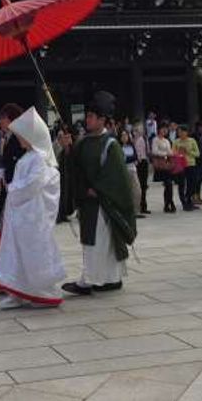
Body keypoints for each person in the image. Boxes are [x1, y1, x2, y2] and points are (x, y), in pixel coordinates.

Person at [0, 107, 66, 310]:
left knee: (31, 253)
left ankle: (38, 292)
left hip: (32, 217)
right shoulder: (30, 157)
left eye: (23, 135)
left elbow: (32, 185)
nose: (19, 139)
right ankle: (18, 291)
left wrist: (11, 188)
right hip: (22, 215)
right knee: (17, 254)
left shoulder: (39, 158)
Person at [62, 91, 136, 296]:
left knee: (104, 243)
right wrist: (67, 149)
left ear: (102, 120)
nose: (88, 120)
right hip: (88, 202)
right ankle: (98, 278)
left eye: (92, 117)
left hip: (103, 202)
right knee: (93, 243)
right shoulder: (83, 142)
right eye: (87, 116)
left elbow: (117, 174)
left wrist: (99, 189)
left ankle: (101, 279)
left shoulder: (110, 144)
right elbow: (74, 167)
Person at [0, 103, 25, 230]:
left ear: (11, 119)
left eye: (3, 118)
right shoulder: (8, 137)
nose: (0, 121)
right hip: (8, 186)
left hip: (16, 186)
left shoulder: (20, 138)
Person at [172, 125, 200, 211]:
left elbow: (197, 154)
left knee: (192, 184)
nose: (180, 134)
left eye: (182, 132)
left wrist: (188, 151)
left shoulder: (192, 141)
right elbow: (172, 153)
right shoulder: (176, 142)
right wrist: (178, 152)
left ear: (186, 132)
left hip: (190, 164)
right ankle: (184, 202)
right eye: (178, 132)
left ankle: (189, 200)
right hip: (180, 165)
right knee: (181, 184)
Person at [119, 129, 144, 219]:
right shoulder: (118, 146)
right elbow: (121, 159)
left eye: (126, 135)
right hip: (123, 171)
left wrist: (128, 158)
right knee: (126, 192)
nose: (124, 137)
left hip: (132, 170)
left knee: (137, 191)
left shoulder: (131, 146)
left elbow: (135, 157)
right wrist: (129, 158)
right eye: (122, 135)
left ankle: (136, 210)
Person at [151, 125, 176, 213]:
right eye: (163, 129)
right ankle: (169, 203)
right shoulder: (155, 139)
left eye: (165, 129)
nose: (164, 130)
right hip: (160, 164)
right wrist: (165, 154)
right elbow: (154, 151)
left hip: (167, 164)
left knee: (169, 184)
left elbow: (170, 151)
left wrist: (170, 154)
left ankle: (169, 203)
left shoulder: (166, 140)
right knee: (167, 183)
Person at [56, 127, 75, 222]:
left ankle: (65, 214)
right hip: (62, 177)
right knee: (62, 196)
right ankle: (61, 215)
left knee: (68, 197)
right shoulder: (61, 152)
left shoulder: (72, 150)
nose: (64, 140)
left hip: (70, 177)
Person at [132, 125, 151, 215]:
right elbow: (137, 152)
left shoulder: (144, 139)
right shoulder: (135, 140)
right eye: (138, 129)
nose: (140, 131)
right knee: (139, 185)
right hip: (139, 162)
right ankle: (140, 206)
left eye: (141, 129)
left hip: (144, 161)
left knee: (144, 185)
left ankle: (143, 205)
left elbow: (147, 150)